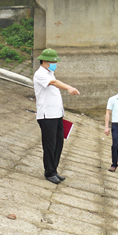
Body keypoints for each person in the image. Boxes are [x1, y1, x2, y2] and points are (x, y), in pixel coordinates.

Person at [33, 48, 80, 184]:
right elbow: (53, 83)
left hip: (57, 115)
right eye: (53, 61)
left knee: (59, 142)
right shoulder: (40, 74)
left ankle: (54, 170)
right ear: (45, 61)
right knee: (50, 145)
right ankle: (49, 172)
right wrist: (68, 87)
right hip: (47, 116)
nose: (55, 63)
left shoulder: (50, 73)